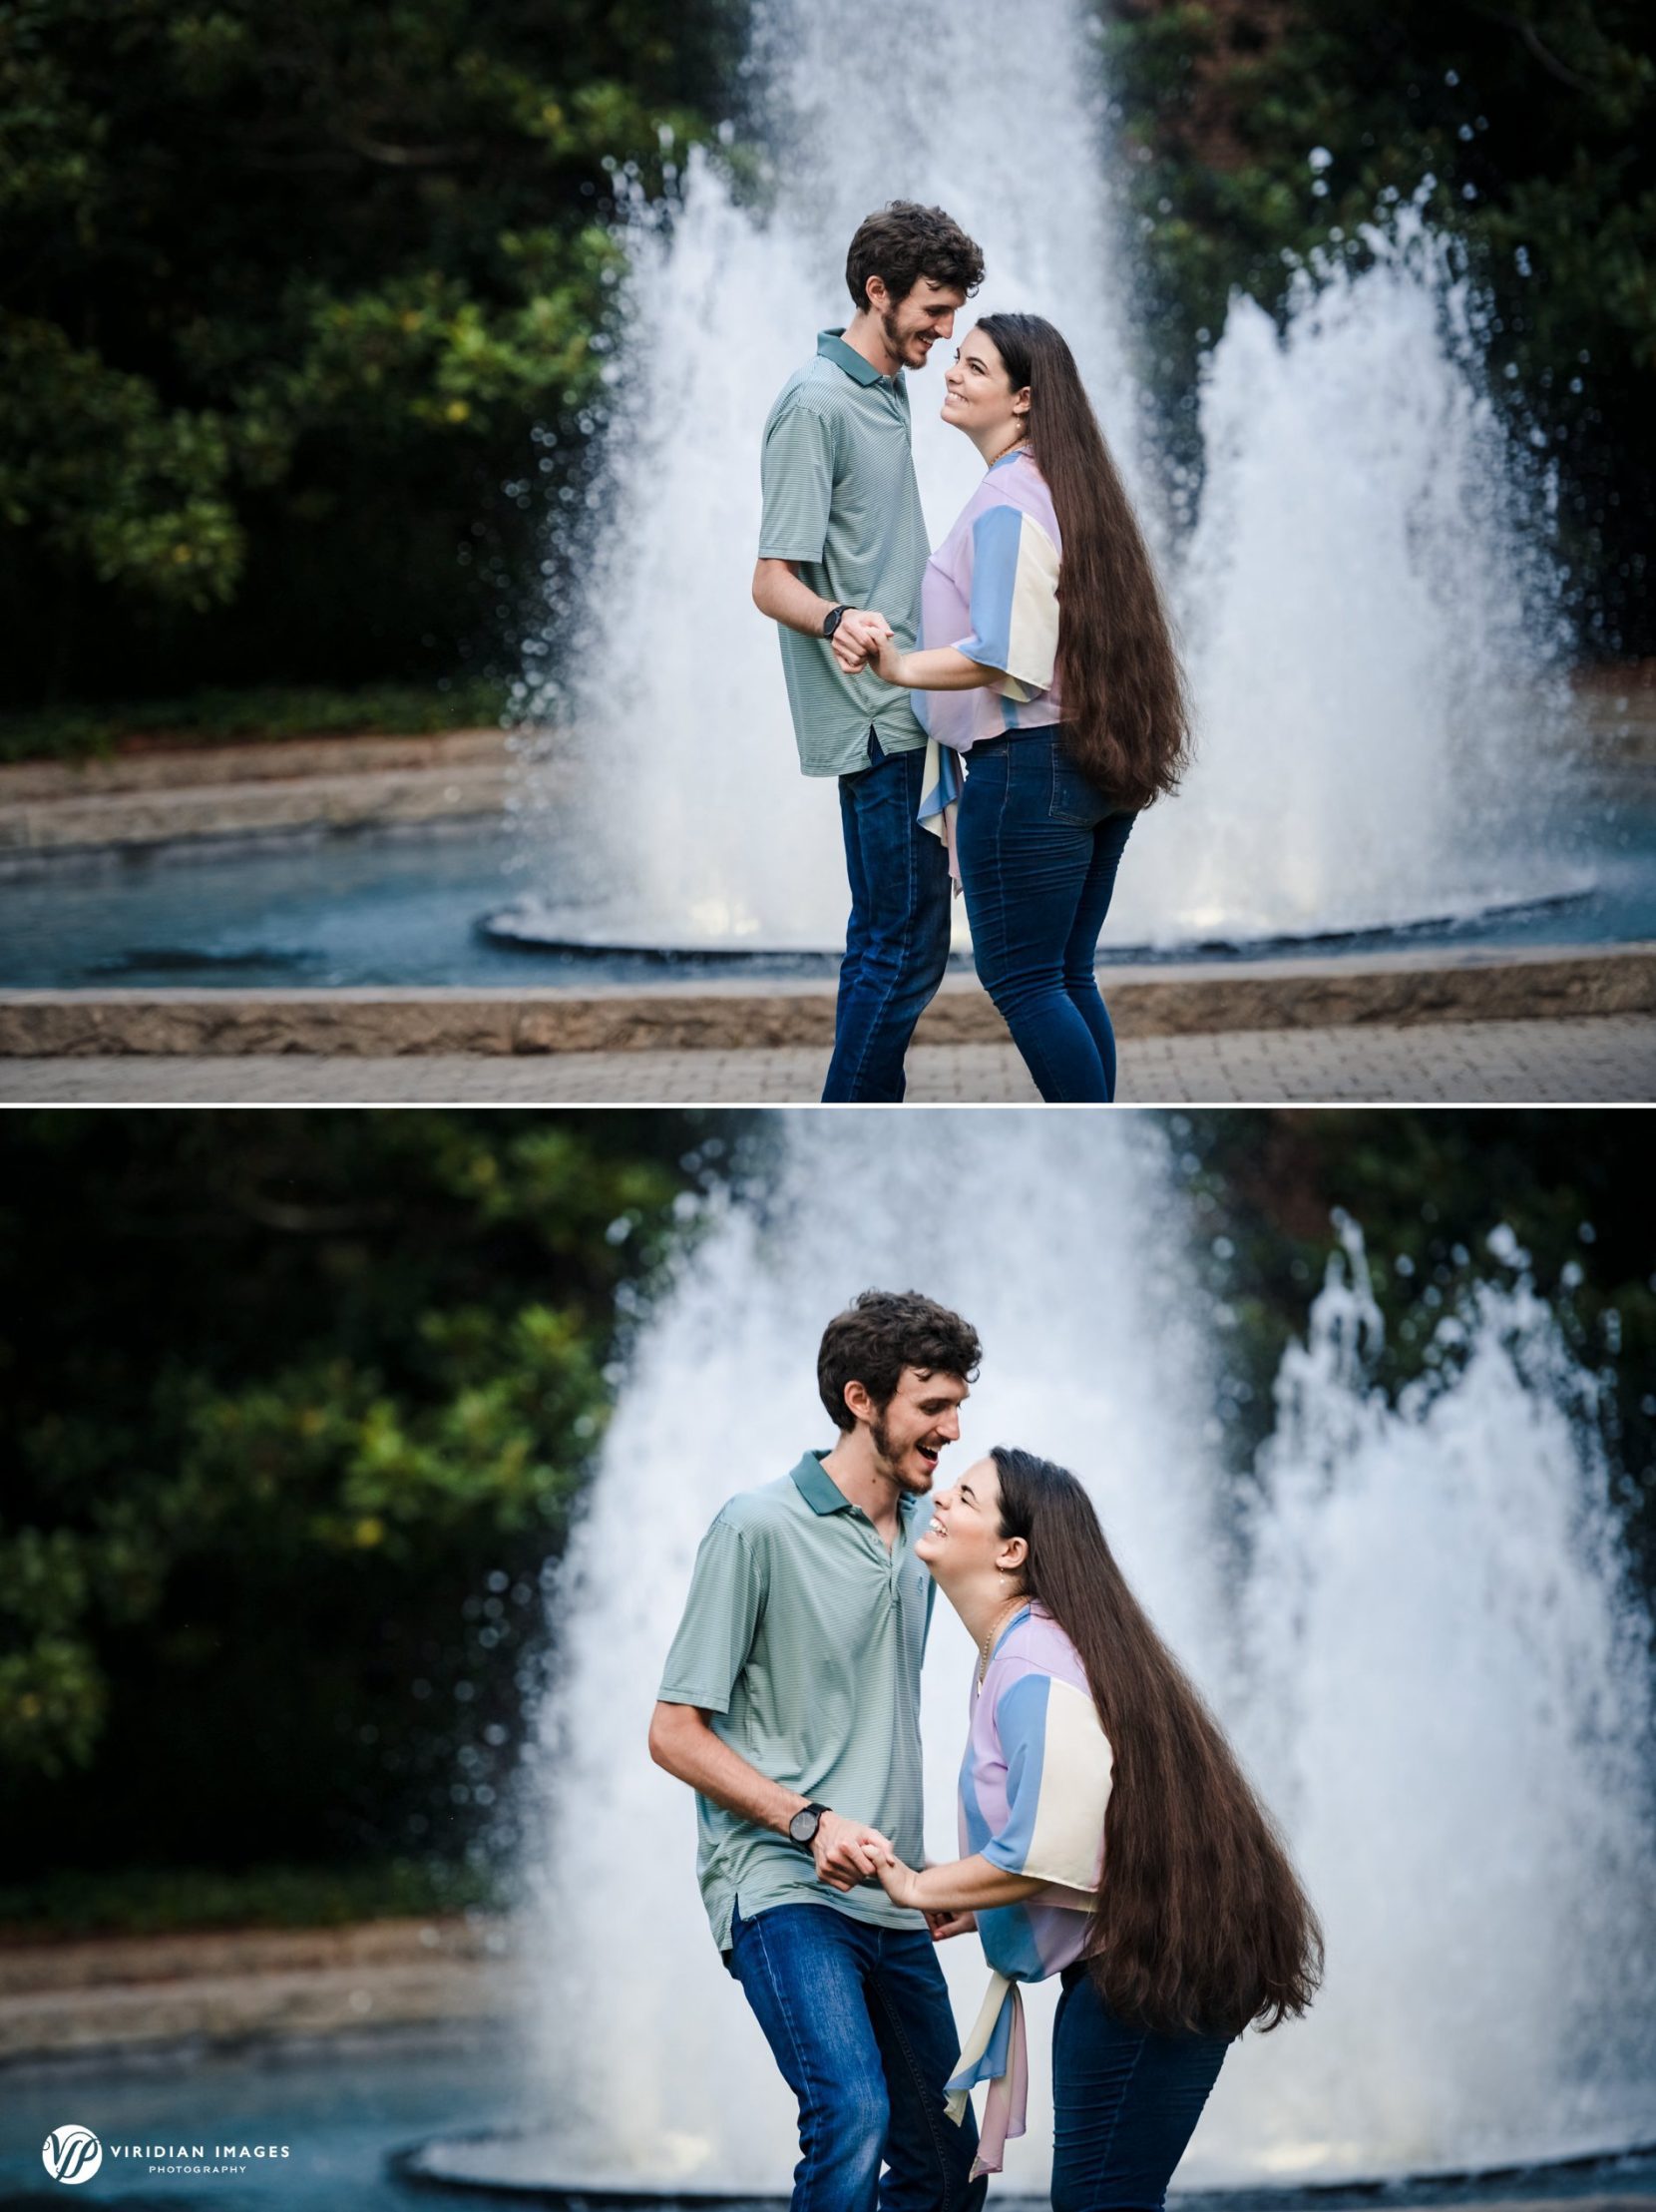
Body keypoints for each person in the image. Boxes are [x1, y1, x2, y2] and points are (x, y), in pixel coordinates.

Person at [863, 1446, 1323, 2211]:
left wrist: (918, 1884)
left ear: (1012, 1551)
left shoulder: (1030, 1659)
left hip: (1146, 1976)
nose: (941, 1497)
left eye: (967, 1497)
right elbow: (1097, 1834)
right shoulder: (1028, 1648)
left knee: (1100, 2203)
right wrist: (983, 1903)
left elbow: (1050, 1845)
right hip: (1146, 1964)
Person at [647, 1290, 989, 2212]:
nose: (952, 1429)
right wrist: (808, 1821)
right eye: (932, 1405)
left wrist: (951, 1877)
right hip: (780, 1883)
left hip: (891, 1897)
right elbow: (672, 1731)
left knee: (951, 2162)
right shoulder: (755, 1527)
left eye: (959, 1405)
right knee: (851, 2112)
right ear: (861, 1400)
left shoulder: (930, 1531)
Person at [869, 313, 1192, 1102]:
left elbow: (1003, 656)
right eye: (957, 360)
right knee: (1066, 974)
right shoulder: (1067, 487)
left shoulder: (1012, 498)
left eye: (974, 368)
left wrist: (899, 664)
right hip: (1090, 762)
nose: (951, 372)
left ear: (1022, 399)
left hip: (1029, 772)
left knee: (1024, 981)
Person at [753, 203, 986, 1104]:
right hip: (874, 721)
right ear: (877, 291)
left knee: (905, 942)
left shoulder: (881, 388)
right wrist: (839, 616)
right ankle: (850, 1111)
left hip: (912, 710)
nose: (946, 329)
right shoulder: (814, 405)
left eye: (955, 312)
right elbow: (772, 579)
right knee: (900, 945)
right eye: (933, 308)